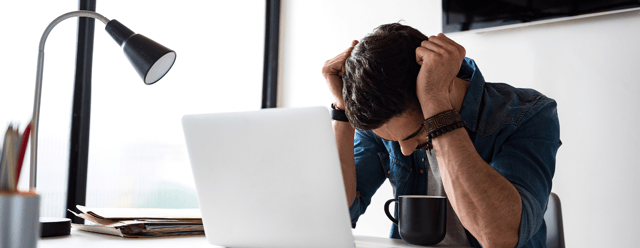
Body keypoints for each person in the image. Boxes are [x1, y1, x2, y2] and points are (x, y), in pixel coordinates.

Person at [322, 23, 561, 248]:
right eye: (393, 141)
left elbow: (499, 237)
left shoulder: (527, 114)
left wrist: (436, 105)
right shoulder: (386, 120)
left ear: (445, 85)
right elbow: (337, 216)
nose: (403, 150)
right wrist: (342, 113)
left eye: (415, 134)